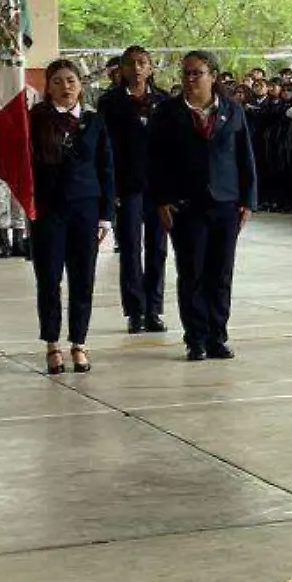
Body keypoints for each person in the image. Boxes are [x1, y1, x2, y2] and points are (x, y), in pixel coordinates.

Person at [149, 50, 256, 361]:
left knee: (220, 273)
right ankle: (195, 338)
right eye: (186, 73)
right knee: (192, 272)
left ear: (213, 76)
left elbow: (244, 158)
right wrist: (161, 199)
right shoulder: (167, 113)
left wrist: (247, 200)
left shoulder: (232, 111)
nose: (191, 78)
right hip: (185, 204)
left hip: (226, 203)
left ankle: (217, 336)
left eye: (197, 72)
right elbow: (155, 161)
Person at [29, 59, 114, 374]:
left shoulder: (94, 121)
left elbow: (106, 167)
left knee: (83, 279)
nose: (65, 87)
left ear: (81, 85)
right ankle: (52, 344)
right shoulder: (35, 119)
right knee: (49, 279)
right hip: (48, 210)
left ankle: (79, 342)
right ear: (48, 86)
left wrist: (105, 216)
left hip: (85, 209)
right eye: (58, 81)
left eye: (71, 81)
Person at [98, 45, 170, 333]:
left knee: (158, 249)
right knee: (129, 247)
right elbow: (106, 148)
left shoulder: (164, 101)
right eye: (131, 64)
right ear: (122, 69)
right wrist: (110, 187)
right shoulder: (110, 102)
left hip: (159, 187)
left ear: (151, 68)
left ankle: (153, 309)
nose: (137, 69)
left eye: (142, 63)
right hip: (126, 186)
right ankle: (134, 311)